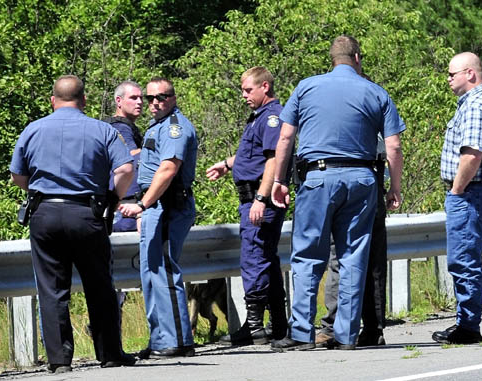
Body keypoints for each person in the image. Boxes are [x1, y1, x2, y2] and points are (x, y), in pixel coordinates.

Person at [269, 35, 404, 352]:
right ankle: (345, 335)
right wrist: (395, 187)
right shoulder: (376, 92)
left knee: (307, 255)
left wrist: (279, 180)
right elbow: (394, 145)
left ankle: (302, 333)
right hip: (362, 179)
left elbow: (286, 137)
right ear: (358, 57)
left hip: (317, 177)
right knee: (353, 257)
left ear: (332, 59)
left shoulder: (307, 87)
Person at [9, 75, 136, 373]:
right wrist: (112, 196)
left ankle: (59, 360)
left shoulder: (33, 129)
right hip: (86, 213)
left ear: (52, 100)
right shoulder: (102, 130)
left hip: (45, 214)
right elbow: (126, 168)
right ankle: (110, 354)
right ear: (85, 101)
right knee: (100, 284)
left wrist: (40, 191)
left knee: (52, 289)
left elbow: (17, 176)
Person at [205, 66, 288, 345]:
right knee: (266, 259)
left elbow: (272, 160)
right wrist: (228, 164)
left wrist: (261, 199)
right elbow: (251, 153)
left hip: (258, 198)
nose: (244, 95)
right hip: (252, 196)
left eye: (248, 90)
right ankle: (277, 324)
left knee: (253, 259)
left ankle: (254, 328)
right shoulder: (258, 118)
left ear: (265, 87)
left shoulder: (272, 117)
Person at [433, 52, 482, 345]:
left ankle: (467, 327)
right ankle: (466, 322)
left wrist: (456, 189)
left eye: (452, 73)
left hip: (472, 192)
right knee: (467, 258)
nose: (448, 79)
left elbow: (472, 153)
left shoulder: (476, 106)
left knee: (463, 260)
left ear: (470, 73)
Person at [119, 77, 199, 358]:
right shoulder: (158, 125)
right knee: (151, 271)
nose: (154, 102)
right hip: (157, 206)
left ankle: (177, 340)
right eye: (150, 98)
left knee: (164, 270)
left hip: (167, 205)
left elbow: (168, 169)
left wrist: (142, 203)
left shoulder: (175, 128)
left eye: (161, 97)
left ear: (173, 98)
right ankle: (161, 338)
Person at [317, 136, 390, 348]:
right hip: (369, 183)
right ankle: (372, 329)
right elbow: (391, 147)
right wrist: (395, 185)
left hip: (343, 186)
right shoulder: (373, 106)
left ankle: (334, 327)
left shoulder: (330, 113)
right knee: (372, 261)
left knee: (340, 256)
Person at [104, 81, 144, 233]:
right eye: (133, 98)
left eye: (141, 98)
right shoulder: (118, 127)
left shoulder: (125, 126)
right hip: (123, 208)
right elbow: (133, 158)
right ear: (118, 101)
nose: (139, 102)